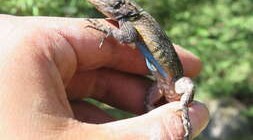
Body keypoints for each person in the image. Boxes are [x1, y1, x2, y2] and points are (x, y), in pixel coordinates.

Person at [0, 14, 209, 139]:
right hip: (161, 85)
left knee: (187, 87)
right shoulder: (128, 20)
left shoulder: (132, 18)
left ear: (119, 5)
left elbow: (127, 37)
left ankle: (179, 111)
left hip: (173, 81)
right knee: (147, 102)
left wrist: (103, 28)